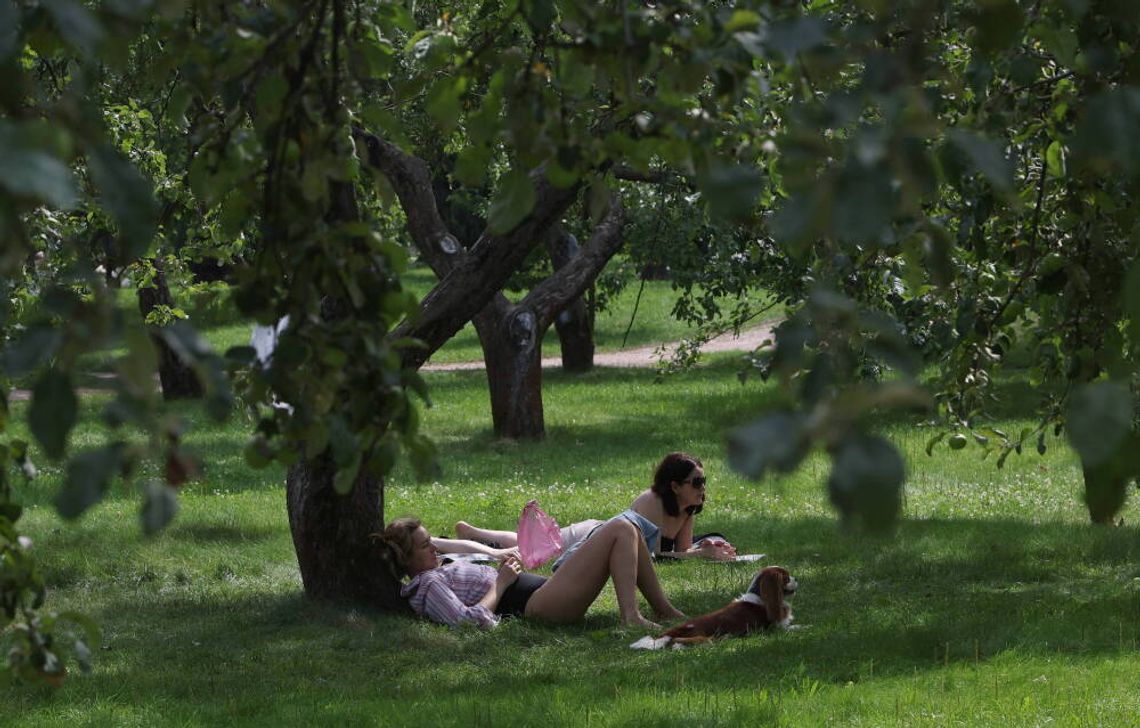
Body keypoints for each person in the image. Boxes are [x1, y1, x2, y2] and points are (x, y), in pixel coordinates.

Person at [374, 516, 684, 630]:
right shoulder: (427, 584)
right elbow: (466, 622)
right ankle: (631, 616)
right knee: (618, 527)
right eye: (426, 546)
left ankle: (664, 609)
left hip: (544, 593)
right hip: (537, 604)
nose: (434, 549)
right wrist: (501, 582)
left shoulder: (433, 569)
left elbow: (439, 547)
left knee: (627, 526)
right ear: (407, 558)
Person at [454, 452, 737, 563]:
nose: (703, 487)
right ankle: (440, 542)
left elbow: (680, 552)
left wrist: (706, 548)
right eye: (697, 482)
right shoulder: (653, 503)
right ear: (675, 485)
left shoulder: (686, 507)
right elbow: (651, 558)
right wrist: (702, 555)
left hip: (596, 534)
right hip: (588, 537)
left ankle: (473, 531)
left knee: (527, 544)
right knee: (516, 554)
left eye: (704, 480)